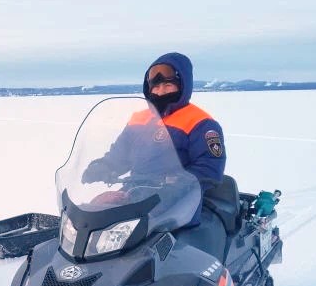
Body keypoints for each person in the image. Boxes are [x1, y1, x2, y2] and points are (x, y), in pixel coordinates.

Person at [82, 52, 228, 254]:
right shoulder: (139, 119)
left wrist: (179, 183)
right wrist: (104, 166)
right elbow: (120, 154)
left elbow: (210, 168)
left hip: (178, 199)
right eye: (156, 87)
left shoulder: (201, 123)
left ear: (183, 86)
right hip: (136, 191)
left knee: (136, 240)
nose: (160, 92)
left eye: (168, 85)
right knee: (96, 214)